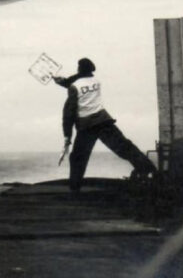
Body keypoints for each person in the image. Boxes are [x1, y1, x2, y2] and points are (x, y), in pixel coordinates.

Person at [53, 58, 156, 192]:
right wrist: (63, 81)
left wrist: (67, 136)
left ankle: (74, 188)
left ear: (78, 69)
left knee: (78, 157)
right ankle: (150, 170)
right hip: (104, 121)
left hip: (87, 126)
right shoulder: (96, 81)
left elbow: (68, 113)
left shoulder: (74, 87)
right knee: (125, 147)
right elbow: (80, 81)